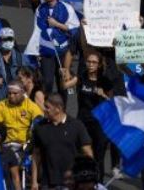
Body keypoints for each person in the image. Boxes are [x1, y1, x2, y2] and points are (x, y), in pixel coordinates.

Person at [64, 51, 113, 181]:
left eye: (94, 62)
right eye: (89, 62)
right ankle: (81, 181)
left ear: (99, 65)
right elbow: (66, 85)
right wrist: (64, 76)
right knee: (82, 154)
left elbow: (113, 102)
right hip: (83, 122)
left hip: (99, 123)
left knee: (99, 156)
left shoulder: (105, 81)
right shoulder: (82, 77)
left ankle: (98, 182)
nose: (90, 64)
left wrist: (103, 95)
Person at [30, 94, 93, 190]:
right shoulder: (39, 127)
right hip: (48, 183)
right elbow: (36, 155)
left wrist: (89, 177)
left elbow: (88, 153)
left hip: (72, 182)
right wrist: (34, 181)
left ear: (58, 108)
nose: (44, 109)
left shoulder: (76, 126)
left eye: (47, 107)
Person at [0, 80, 42, 150]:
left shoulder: (30, 105)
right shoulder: (1, 106)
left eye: (15, 93)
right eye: (9, 93)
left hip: (25, 145)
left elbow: (39, 120)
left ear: (22, 92)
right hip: (6, 145)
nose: (11, 96)